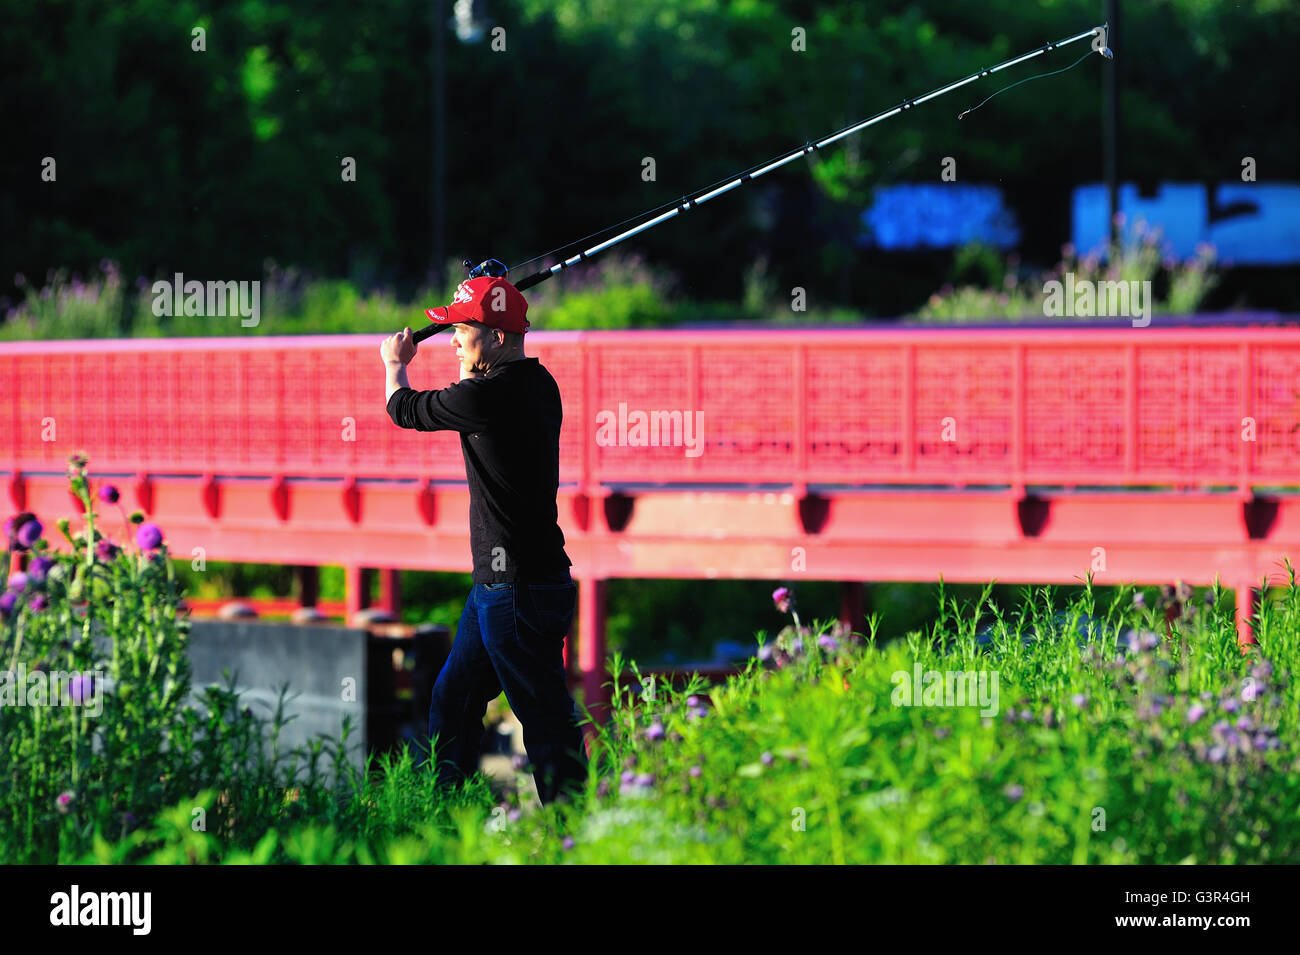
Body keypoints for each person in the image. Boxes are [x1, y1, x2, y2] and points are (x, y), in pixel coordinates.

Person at [380, 275, 587, 805]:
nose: (451, 340)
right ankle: (447, 818)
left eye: (462, 329)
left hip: (515, 589)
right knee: (453, 699)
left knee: (543, 721)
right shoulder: (541, 384)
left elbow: (404, 409)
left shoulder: (483, 395)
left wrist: (394, 363)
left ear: (496, 338)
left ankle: (577, 838)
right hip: (511, 585)